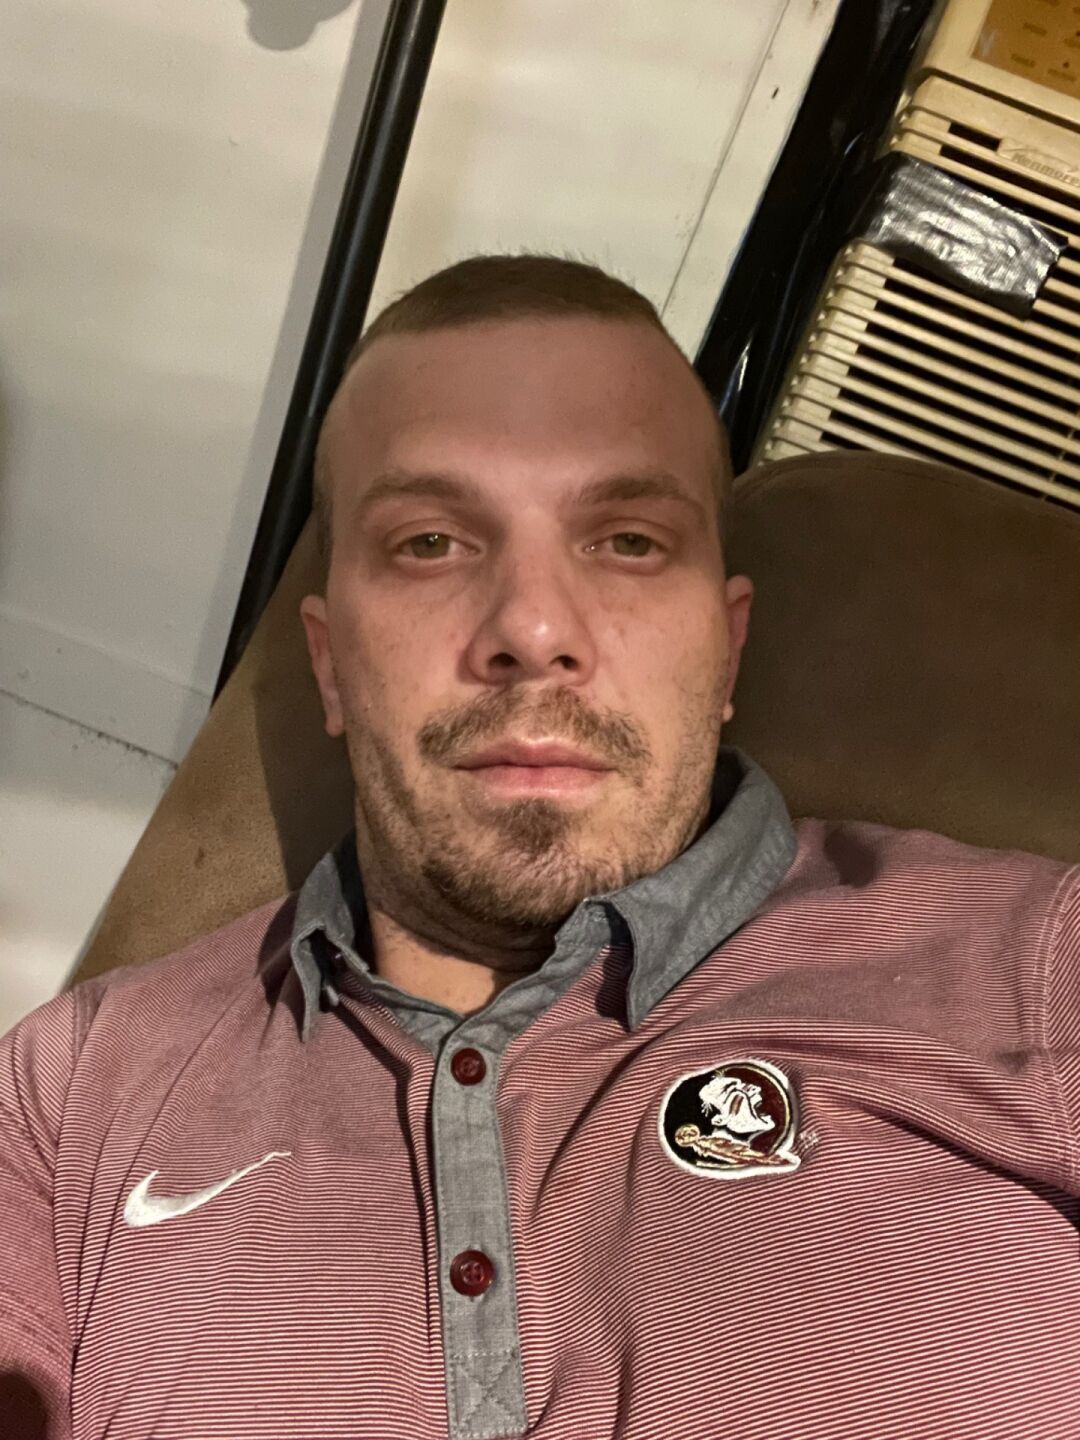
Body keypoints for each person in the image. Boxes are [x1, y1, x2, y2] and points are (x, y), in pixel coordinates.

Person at [1, 254, 1078, 1440]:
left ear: (727, 653)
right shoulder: (74, 1090)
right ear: (329, 664)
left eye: (628, 540)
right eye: (430, 542)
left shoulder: (1036, 960)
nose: (531, 626)